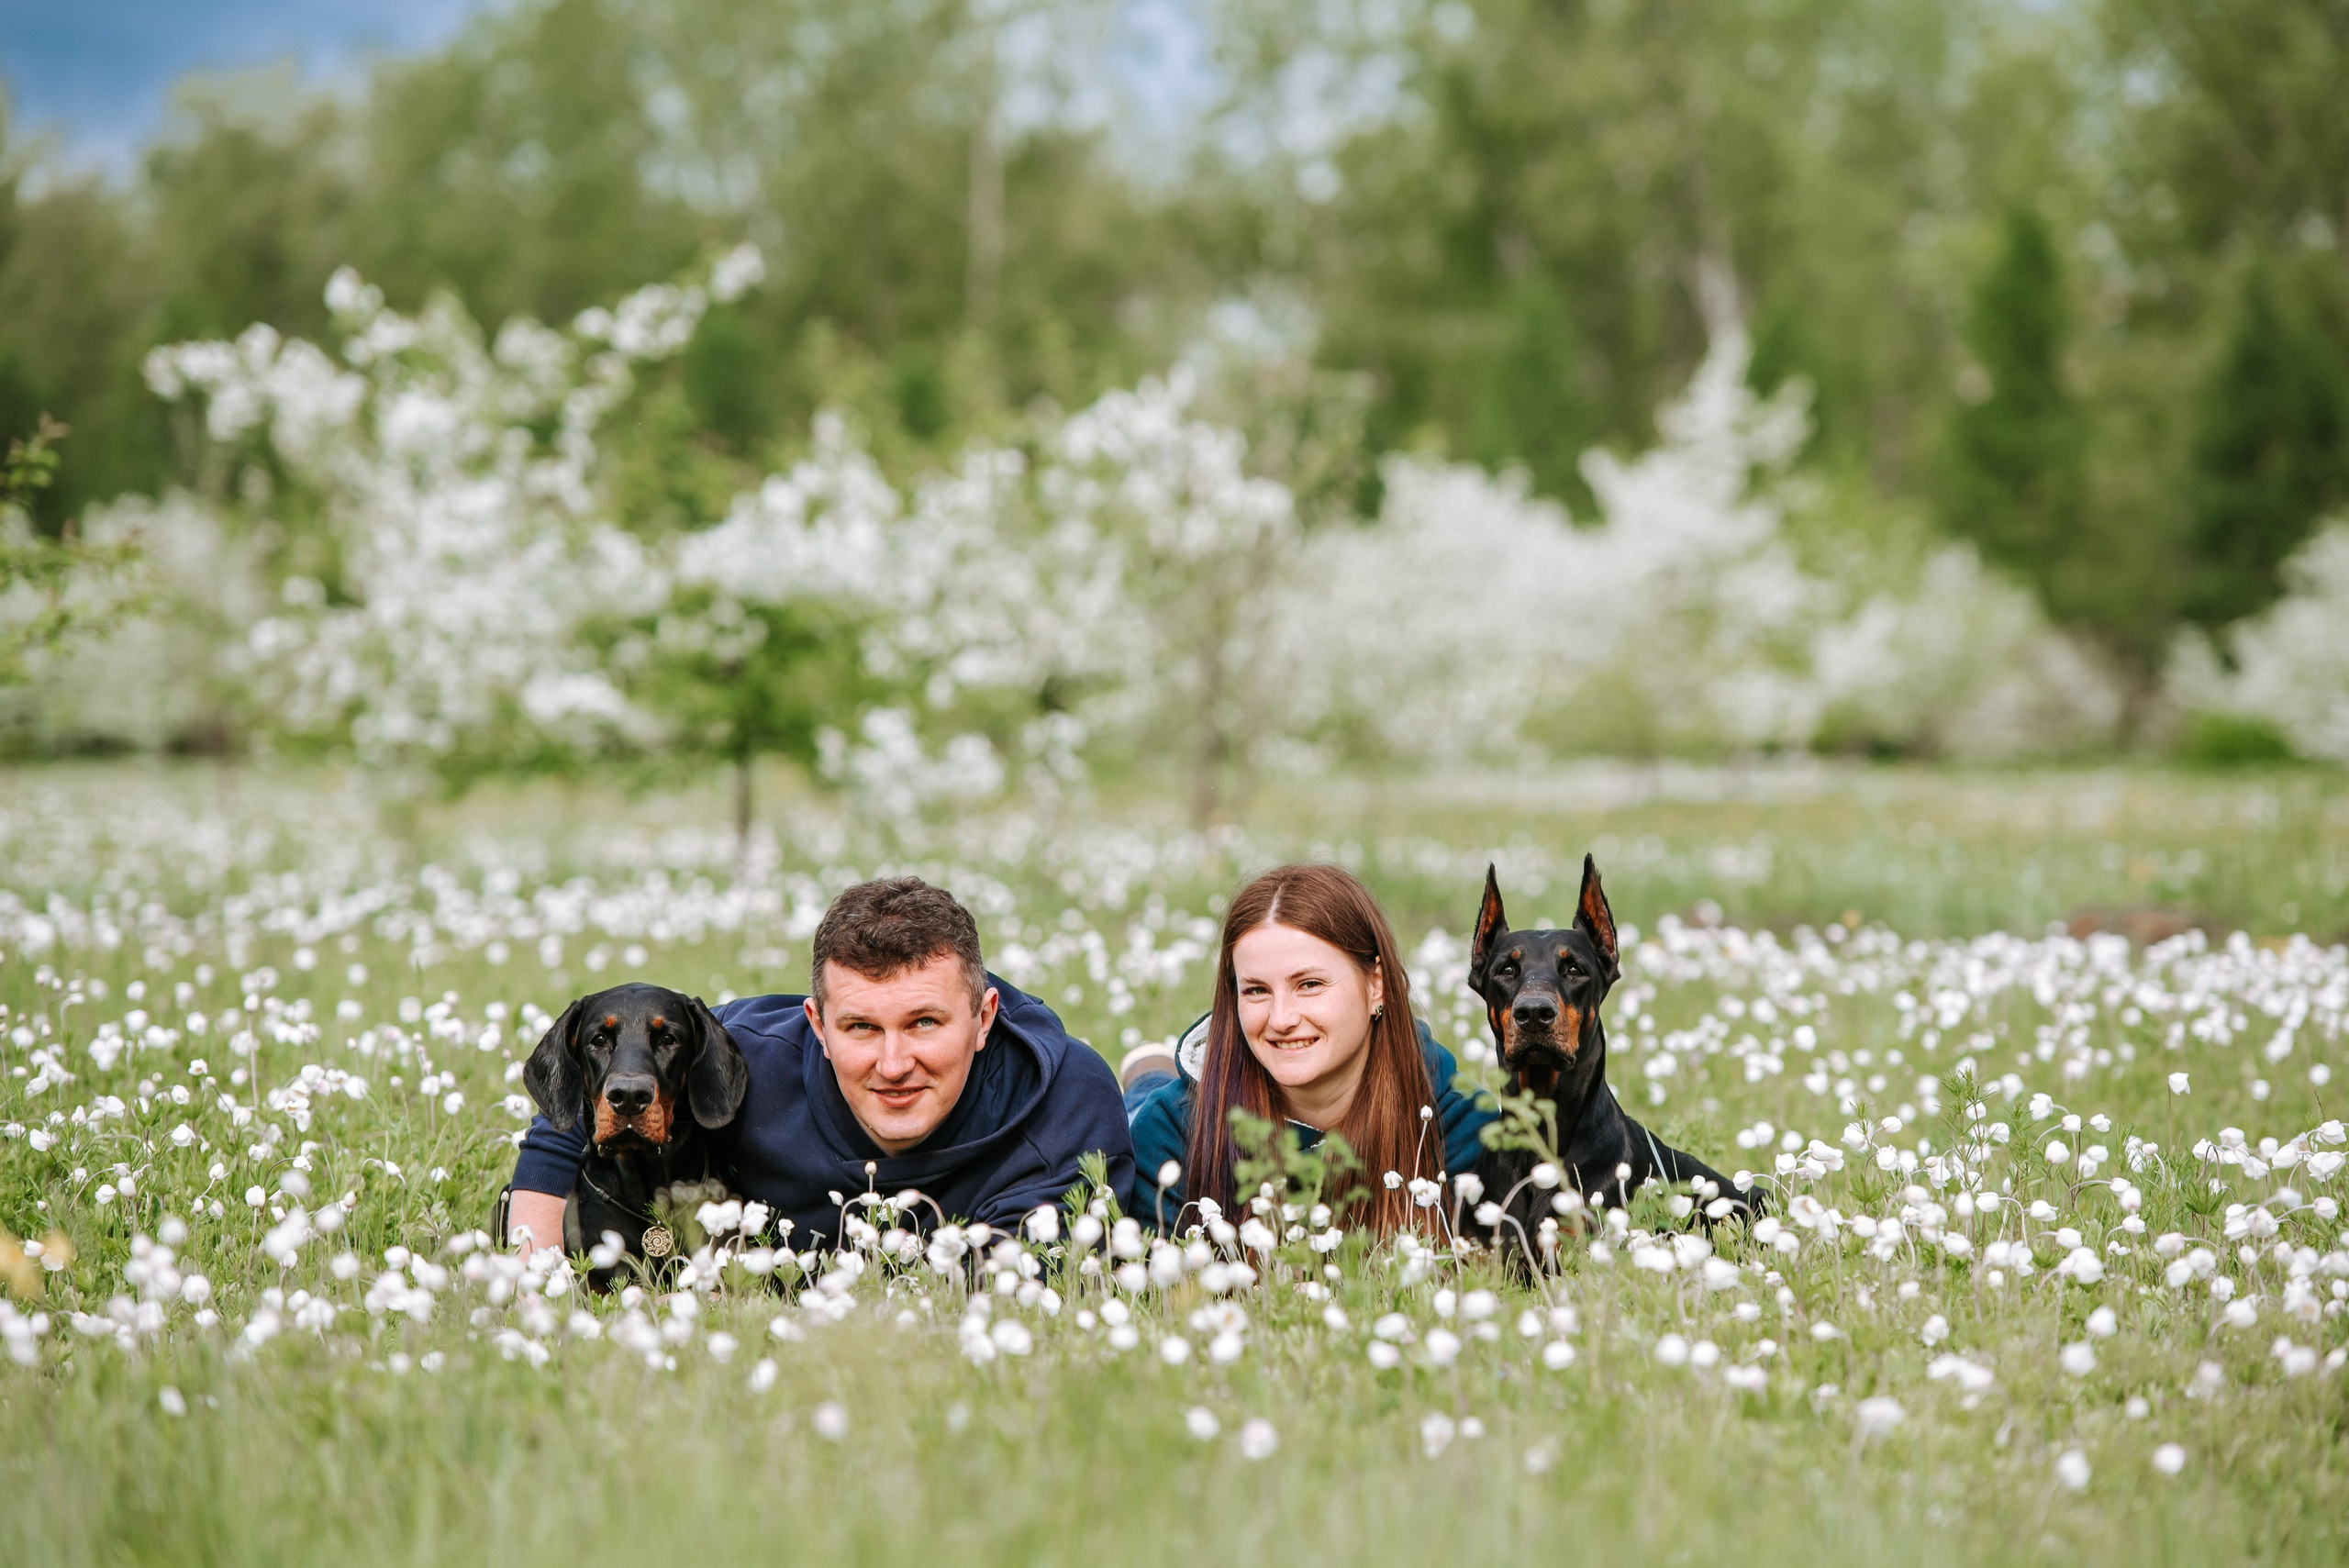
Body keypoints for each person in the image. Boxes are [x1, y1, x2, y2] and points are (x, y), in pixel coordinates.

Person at [507, 876, 1133, 1254]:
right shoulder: (741, 1053)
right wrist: (529, 1269)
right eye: (861, 1026)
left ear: (984, 1016)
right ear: (817, 1025)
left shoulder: (1065, 1103)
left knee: (1158, 1117)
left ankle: (1154, 1076)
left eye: (924, 1022)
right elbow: (591, 1090)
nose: (894, 1064)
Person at [1122, 863, 1494, 1233]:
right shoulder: (1170, 1127)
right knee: (1134, 1111)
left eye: (1310, 984)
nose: (1281, 1019)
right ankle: (1148, 1075)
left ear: (1376, 986)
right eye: (1256, 990)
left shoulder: (1464, 1125)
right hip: (1146, 1108)